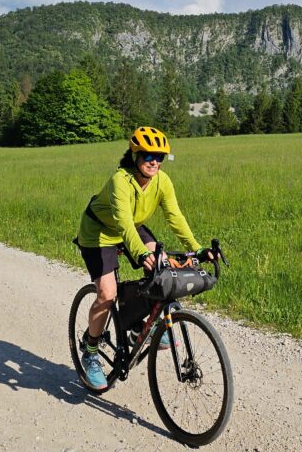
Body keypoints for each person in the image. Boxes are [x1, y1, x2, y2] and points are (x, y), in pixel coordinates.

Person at [75, 125, 210, 390]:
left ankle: (139, 327)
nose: (154, 161)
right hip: (99, 232)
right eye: (148, 155)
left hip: (131, 226)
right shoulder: (120, 180)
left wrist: (198, 249)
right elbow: (123, 224)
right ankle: (90, 351)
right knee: (107, 293)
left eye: (159, 157)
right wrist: (140, 253)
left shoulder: (162, 181)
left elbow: (175, 218)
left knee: (160, 269)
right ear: (135, 155)